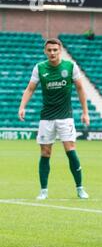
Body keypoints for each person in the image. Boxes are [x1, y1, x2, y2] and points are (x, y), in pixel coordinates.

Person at [18, 38, 90, 200]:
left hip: (66, 117)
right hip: (47, 118)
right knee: (45, 152)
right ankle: (43, 190)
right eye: (49, 50)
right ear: (45, 51)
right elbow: (30, 89)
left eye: (55, 50)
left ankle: (80, 188)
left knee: (70, 150)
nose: (52, 53)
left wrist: (85, 112)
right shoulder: (40, 68)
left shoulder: (70, 67)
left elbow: (80, 88)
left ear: (60, 51)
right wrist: (22, 107)